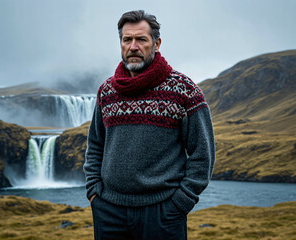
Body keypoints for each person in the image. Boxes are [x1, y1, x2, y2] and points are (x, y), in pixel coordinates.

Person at [84, 10, 215, 240]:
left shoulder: (184, 90)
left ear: (157, 43)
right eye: (127, 39)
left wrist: (180, 203)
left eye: (141, 39)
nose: (133, 46)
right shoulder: (107, 91)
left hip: (164, 214)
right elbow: (95, 144)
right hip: (109, 212)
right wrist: (95, 193)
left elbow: (202, 154)